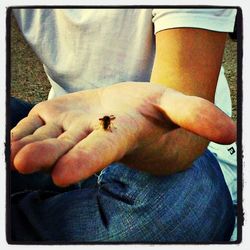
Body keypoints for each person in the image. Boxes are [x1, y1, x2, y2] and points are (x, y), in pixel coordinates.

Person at [9, 8, 237, 242]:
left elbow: (181, 135)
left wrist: (134, 128)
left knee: (183, 207)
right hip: (62, 124)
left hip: (169, 153)